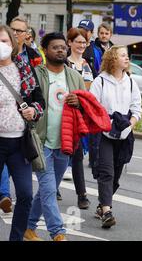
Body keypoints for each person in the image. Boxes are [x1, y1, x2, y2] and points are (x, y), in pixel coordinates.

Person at [24, 32, 85, 241]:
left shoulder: (75, 76)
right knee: (49, 190)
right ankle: (58, 233)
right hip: (41, 142)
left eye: (62, 47)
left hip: (66, 143)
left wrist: (79, 104)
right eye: (55, 47)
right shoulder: (36, 74)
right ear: (45, 50)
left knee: (46, 191)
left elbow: (86, 105)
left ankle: (28, 227)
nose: (60, 50)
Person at [0, 25, 45, 241]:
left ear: (14, 43)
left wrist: (32, 111)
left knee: (26, 194)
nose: (2, 45)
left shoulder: (24, 69)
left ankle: (16, 238)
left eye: (5, 41)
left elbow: (40, 101)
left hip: (19, 143)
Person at [90, 45, 142, 229]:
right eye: (122, 55)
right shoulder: (100, 81)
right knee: (107, 172)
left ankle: (101, 205)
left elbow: (137, 108)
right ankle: (106, 211)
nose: (127, 59)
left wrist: (130, 124)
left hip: (124, 133)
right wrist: (105, 122)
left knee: (116, 176)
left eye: (127, 56)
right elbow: (93, 107)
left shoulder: (130, 81)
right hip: (104, 132)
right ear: (113, 59)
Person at [66, 27, 95, 209]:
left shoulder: (86, 64)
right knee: (58, 153)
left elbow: (89, 89)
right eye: (78, 42)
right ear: (69, 43)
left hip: (80, 115)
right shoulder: (63, 63)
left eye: (84, 42)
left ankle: (82, 194)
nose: (81, 45)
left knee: (77, 155)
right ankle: (52, 189)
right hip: (63, 113)